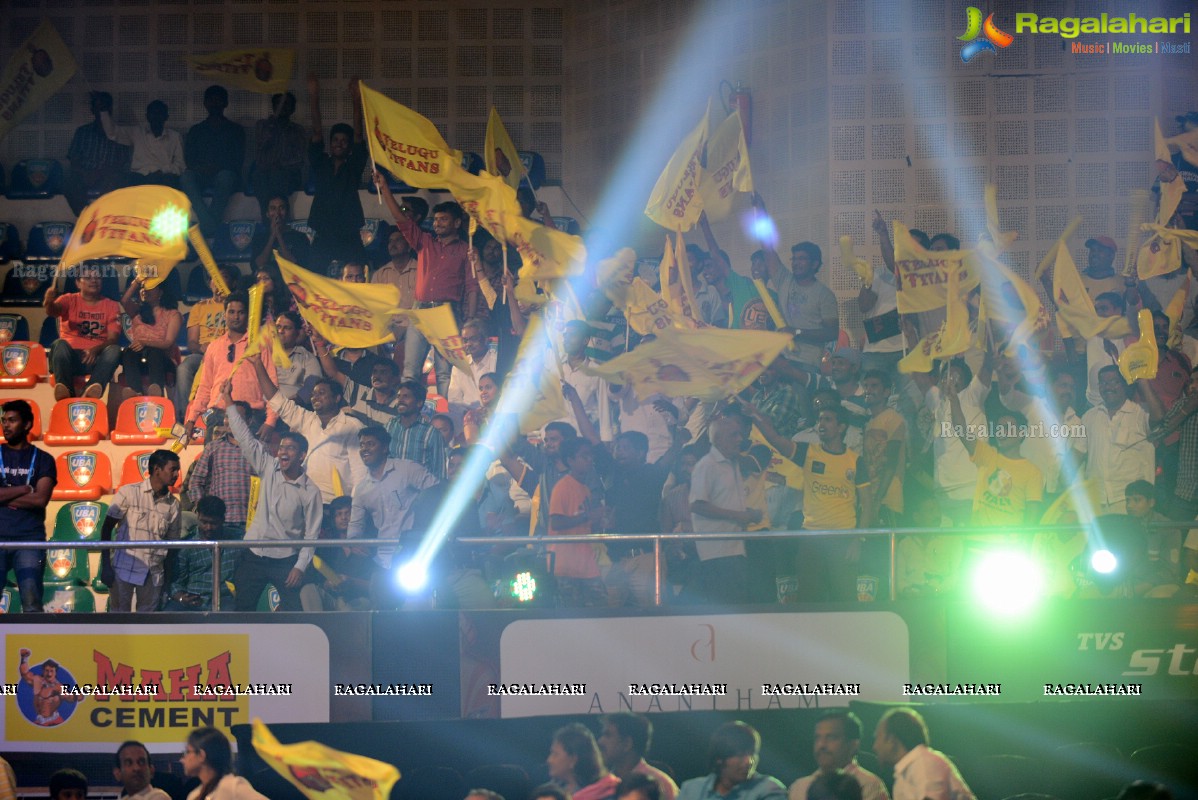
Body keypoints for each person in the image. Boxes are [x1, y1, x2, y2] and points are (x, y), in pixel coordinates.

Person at [376, 171, 479, 395]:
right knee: (410, 371)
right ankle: (405, 414)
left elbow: (472, 288)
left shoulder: (466, 250)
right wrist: (385, 188)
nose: (438, 223)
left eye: (444, 219)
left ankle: (443, 420)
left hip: (447, 313)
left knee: (444, 373)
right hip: (420, 310)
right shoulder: (425, 241)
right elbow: (401, 220)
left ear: (457, 223)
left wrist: (469, 320)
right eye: (436, 219)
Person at [224, 382, 322, 611]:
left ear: (302, 456)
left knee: (292, 613)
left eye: (290, 448)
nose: (283, 452)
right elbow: (245, 438)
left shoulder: (311, 491)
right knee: (242, 611)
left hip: (286, 560)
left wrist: (300, 566)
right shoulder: (268, 467)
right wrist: (228, 400)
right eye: (282, 447)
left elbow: (312, 535)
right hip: (253, 555)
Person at [253, 358, 364, 504]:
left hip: (337, 505)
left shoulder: (352, 427)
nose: (315, 397)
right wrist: (258, 364)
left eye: (321, 393)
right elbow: (278, 402)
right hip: (306, 501)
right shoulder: (307, 420)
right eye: (313, 394)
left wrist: (354, 508)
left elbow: (360, 473)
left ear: (337, 398)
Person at [350, 425, 439, 608]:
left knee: (417, 614)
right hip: (383, 561)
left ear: (384, 448)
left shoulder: (407, 469)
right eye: (362, 445)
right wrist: (354, 542)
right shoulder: (361, 489)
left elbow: (437, 493)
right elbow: (355, 526)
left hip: (415, 556)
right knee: (383, 615)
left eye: (370, 444)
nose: (365, 449)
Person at [184, 291, 279, 443]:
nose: (236, 317)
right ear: (225, 315)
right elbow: (205, 386)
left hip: (251, 416)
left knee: (247, 467)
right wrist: (191, 419)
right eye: (232, 312)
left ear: (248, 315)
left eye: (241, 312)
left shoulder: (259, 345)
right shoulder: (214, 346)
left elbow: (272, 383)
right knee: (214, 465)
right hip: (218, 416)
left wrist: (271, 421)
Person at [689, 415, 758, 604]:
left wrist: (748, 514)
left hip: (734, 548)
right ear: (718, 439)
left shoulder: (732, 463)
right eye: (733, 435)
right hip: (717, 553)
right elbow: (697, 505)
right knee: (728, 608)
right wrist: (739, 516)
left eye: (740, 434)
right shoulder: (707, 465)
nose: (739, 439)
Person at [104, 450, 183, 612]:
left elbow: (172, 546)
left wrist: (167, 582)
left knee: (148, 624)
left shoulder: (174, 505)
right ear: (157, 470)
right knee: (119, 621)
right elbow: (106, 529)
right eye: (173, 469)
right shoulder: (128, 493)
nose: (176, 474)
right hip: (123, 569)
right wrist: (105, 566)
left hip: (154, 574)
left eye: (177, 470)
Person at [306, 74, 368, 268]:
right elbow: (317, 132)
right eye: (335, 140)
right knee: (315, 279)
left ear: (349, 147)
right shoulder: (320, 162)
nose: (338, 144)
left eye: (344, 141)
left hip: (349, 234)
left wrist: (356, 99)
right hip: (323, 234)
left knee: (356, 277)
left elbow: (358, 134)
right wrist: (314, 96)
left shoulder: (354, 165)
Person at [0, 400, 56, 612]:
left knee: (31, 601)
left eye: (12, 421)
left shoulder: (43, 459)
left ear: (27, 424)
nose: (5, 425)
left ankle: (35, 645)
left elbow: (40, 499)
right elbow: (32, 496)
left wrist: (5, 495)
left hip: (29, 539)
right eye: (4, 421)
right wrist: (23, 490)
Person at [1079, 365, 1154, 514]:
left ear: (1125, 384)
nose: (1108, 387)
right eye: (1103, 383)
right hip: (1096, 500)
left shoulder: (1141, 412)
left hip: (1130, 502)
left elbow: (1161, 418)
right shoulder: (1089, 416)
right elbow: (1079, 452)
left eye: (1114, 382)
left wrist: (1143, 383)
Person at [44, 263, 123, 401]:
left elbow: (113, 338)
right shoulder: (69, 299)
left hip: (96, 359)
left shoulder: (112, 305)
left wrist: (95, 350)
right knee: (59, 344)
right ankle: (65, 391)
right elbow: (53, 311)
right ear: (78, 283)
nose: (93, 281)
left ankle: (91, 390)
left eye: (97, 278)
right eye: (87, 277)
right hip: (70, 358)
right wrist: (48, 302)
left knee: (114, 350)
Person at [549, 437, 608, 608]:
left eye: (590, 456)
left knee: (600, 610)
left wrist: (601, 521)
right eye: (584, 456)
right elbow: (556, 522)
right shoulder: (562, 487)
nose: (590, 460)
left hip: (584, 563)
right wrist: (588, 516)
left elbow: (586, 524)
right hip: (566, 566)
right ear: (570, 460)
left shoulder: (585, 489)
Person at [175, 262, 240, 417]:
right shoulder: (200, 307)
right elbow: (191, 343)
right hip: (203, 354)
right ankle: (186, 415)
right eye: (214, 279)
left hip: (229, 354)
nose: (217, 282)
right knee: (184, 368)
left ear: (232, 282)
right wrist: (201, 348)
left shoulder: (236, 307)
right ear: (210, 284)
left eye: (223, 278)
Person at [181, 85, 245, 236]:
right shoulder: (196, 130)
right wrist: (203, 168)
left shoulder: (236, 130)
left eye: (219, 100)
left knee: (225, 176)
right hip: (201, 175)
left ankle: (207, 227)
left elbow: (238, 161)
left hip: (226, 176)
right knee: (185, 177)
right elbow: (189, 160)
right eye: (211, 100)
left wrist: (217, 167)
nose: (215, 103)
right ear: (205, 103)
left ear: (225, 103)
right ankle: (210, 225)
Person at [872, 709, 975, 800]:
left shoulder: (925, 762)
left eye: (877, 738)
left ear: (891, 740)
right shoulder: (904, 774)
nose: (874, 747)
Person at [185, 406, 253, 540]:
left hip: (251, 524)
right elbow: (196, 481)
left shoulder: (259, 447)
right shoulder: (213, 447)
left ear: (249, 421)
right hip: (219, 525)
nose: (228, 421)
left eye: (235, 417)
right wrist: (205, 510)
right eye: (227, 417)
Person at [788, 712, 888, 800]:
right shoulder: (799, 787)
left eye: (831, 737)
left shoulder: (869, 785)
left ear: (853, 744)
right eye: (817, 738)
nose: (821, 745)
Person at [677, 721, 786, 800]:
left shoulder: (769, 789)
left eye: (752, 753)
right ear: (719, 759)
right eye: (740, 755)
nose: (749, 761)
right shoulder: (691, 789)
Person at [163, 496, 235, 612]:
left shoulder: (237, 542)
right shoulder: (186, 546)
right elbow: (175, 583)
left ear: (223, 520)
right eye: (204, 522)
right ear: (198, 517)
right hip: (194, 601)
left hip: (226, 600)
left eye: (213, 523)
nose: (208, 528)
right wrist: (182, 598)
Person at [64, 91, 130, 215]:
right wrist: (86, 174)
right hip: (85, 174)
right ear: (92, 110)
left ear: (110, 109)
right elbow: (74, 159)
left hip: (109, 175)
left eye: (104, 107)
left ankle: (104, 218)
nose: (101, 111)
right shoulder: (83, 132)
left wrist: (101, 173)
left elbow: (122, 162)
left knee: (117, 183)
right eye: (98, 107)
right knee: (69, 184)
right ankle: (85, 217)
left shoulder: (120, 133)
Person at [120, 276, 183, 400]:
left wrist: (145, 342)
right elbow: (124, 300)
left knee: (154, 352)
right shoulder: (138, 311)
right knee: (129, 352)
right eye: (143, 288)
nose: (144, 290)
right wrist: (137, 282)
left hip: (163, 359)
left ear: (160, 291)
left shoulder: (172, 314)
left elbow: (168, 343)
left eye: (149, 288)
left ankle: (156, 391)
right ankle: (136, 392)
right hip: (139, 358)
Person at [102, 99, 185, 188]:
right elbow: (112, 133)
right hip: (138, 177)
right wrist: (103, 110)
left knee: (171, 180)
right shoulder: (136, 132)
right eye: (153, 113)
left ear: (166, 116)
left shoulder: (175, 136)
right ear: (147, 116)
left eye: (159, 113)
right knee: (122, 180)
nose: (156, 117)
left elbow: (180, 165)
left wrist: (163, 171)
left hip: (163, 177)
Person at [597, 713, 679, 800]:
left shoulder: (662, 784)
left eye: (608, 735)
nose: (600, 741)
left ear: (627, 744)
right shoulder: (600, 784)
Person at [251, 91, 307, 219]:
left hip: (288, 175)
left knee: (278, 176)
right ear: (273, 106)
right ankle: (268, 221)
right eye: (279, 104)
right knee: (258, 177)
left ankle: (279, 223)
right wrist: (271, 127)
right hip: (264, 174)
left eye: (287, 104)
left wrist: (279, 165)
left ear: (293, 109)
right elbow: (260, 151)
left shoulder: (297, 130)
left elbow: (299, 160)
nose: (283, 107)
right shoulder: (263, 126)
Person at [181, 727, 269, 800]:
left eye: (187, 752)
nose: (182, 759)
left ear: (201, 755)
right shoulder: (194, 795)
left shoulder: (232, 786)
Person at [385, 379, 448, 479]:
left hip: (419, 493)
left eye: (406, 397)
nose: (400, 400)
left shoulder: (431, 433)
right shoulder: (389, 426)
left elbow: (439, 472)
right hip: (390, 491)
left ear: (419, 403)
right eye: (399, 396)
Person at [546, 723, 620, 800]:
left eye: (555, 754)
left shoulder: (608, 792)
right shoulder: (550, 793)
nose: (549, 760)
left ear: (573, 759)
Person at [447, 318, 498, 422]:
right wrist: (471, 414)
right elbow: (454, 402)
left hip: (495, 417)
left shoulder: (497, 361)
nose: (468, 344)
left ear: (485, 339)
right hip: (468, 420)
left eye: (473, 339)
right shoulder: (459, 366)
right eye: (465, 340)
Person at [18, 649, 81, 725]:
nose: (49, 674)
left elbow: (71, 698)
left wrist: (77, 696)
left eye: (51, 671)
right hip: (39, 721)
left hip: (54, 722)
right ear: (43, 671)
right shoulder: (38, 681)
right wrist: (24, 658)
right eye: (47, 670)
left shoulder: (58, 687)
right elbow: (25, 674)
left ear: (55, 672)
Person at [252, 193, 311, 273]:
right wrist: (272, 236)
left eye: (281, 208)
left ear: (287, 212)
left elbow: (297, 266)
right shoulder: (259, 238)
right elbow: (258, 265)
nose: (277, 213)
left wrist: (279, 236)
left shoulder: (299, 237)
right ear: (267, 214)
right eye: (273, 208)